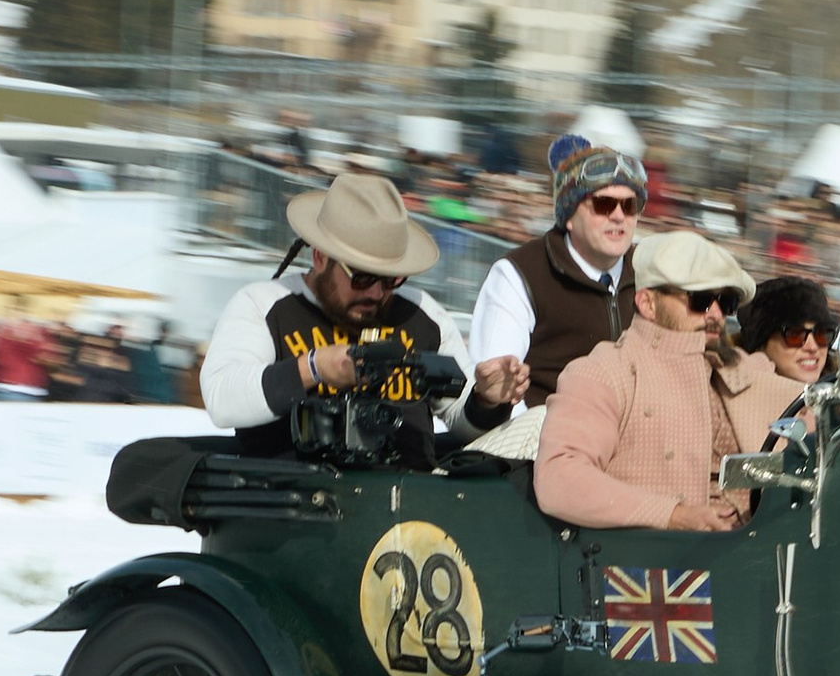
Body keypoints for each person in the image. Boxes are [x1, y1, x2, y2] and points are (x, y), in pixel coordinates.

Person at [200, 161, 522, 461]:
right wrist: (315, 368)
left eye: (391, 279)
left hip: (411, 506)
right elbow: (221, 400)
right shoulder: (266, 305)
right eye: (362, 277)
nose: (376, 292)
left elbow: (461, 421)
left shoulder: (423, 315)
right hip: (295, 501)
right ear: (320, 258)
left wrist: (486, 400)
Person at [534, 230, 794, 531]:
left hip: (760, 553)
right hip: (657, 564)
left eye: (726, 302)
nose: (716, 315)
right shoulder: (605, 372)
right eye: (700, 300)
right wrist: (672, 515)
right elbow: (559, 477)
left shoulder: (744, 370)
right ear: (647, 303)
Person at [467, 137, 644, 404]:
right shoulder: (520, 274)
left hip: (636, 435)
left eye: (629, 205)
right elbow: (496, 390)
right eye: (603, 204)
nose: (619, 216)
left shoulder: (651, 272)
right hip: (543, 434)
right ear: (569, 215)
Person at [732, 276, 840, 452]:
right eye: (795, 335)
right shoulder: (738, 401)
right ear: (761, 343)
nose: (812, 347)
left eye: (822, 334)